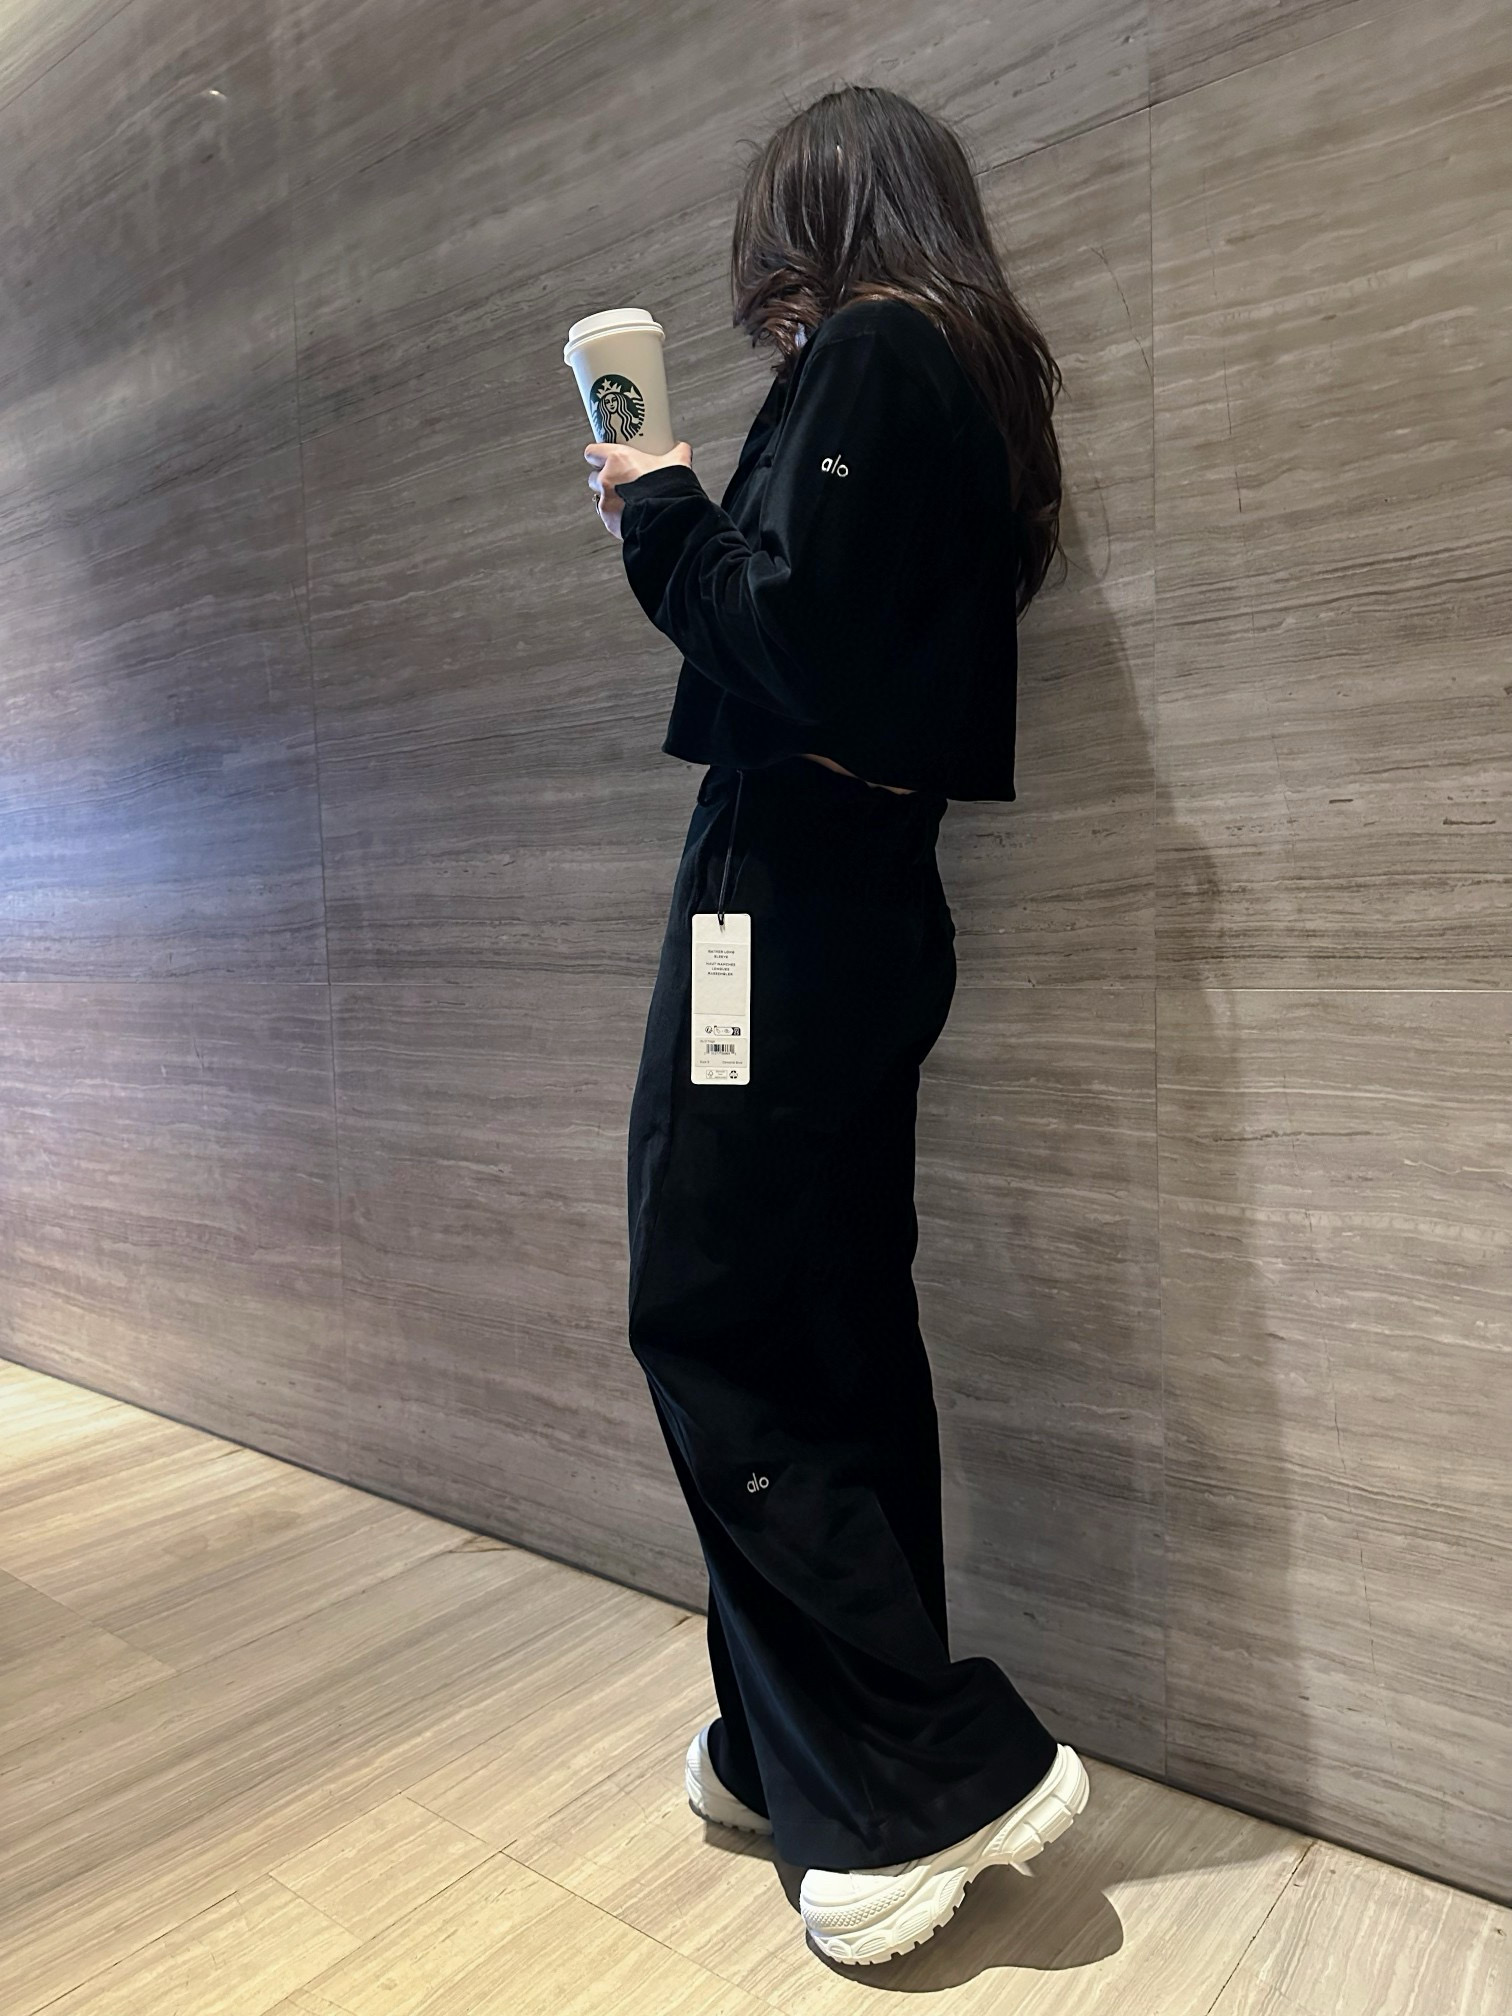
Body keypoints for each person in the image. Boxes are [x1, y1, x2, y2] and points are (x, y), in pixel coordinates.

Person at [583, 83, 1088, 1968]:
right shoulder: (966, 370)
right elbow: (847, 639)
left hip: (780, 903)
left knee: (713, 1308)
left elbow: (782, 641)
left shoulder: (879, 350)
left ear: (820, 214)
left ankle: (919, 1772)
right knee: (833, 1321)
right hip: (859, 901)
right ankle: (790, 1745)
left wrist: (657, 501)